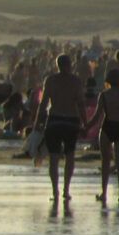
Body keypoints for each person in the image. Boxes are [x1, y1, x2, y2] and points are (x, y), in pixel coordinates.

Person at [34, 54, 87, 201]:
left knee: (54, 157)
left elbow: (43, 104)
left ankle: (55, 191)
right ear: (70, 64)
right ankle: (66, 190)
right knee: (70, 156)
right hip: (71, 120)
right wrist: (86, 123)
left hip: (55, 120)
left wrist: (37, 123)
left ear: (57, 65)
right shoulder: (75, 81)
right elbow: (81, 104)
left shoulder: (51, 80)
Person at [84, 69, 119, 204]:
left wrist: (86, 127)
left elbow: (97, 116)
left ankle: (104, 193)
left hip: (108, 126)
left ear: (108, 81)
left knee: (105, 162)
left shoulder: (104, 95)